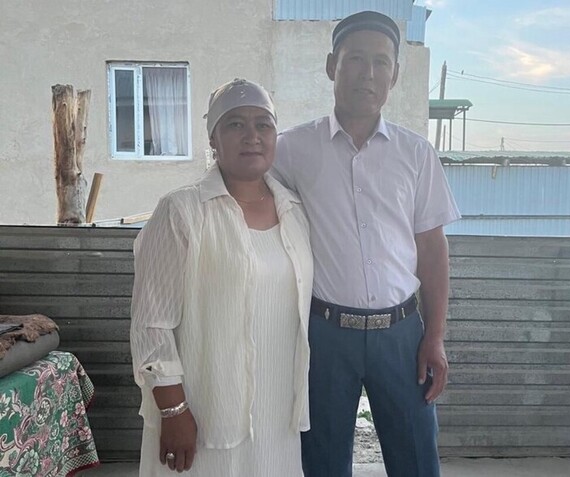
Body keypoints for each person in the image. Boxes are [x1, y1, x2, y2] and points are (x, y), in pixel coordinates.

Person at [272, 11, 461, 477]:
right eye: (355, 59)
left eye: (381, 62)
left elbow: (432, 250)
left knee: (417, 459)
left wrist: (434, 337)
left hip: (401, 334)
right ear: (331, 66)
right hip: (323, 334)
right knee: (321, 461)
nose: (368, 73)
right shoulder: (291, 150)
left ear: (395, 75)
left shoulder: (416, 154)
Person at [130, 78, 313, 476]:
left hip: (277, 415)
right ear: (213, 138)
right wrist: (174, 410)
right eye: (235, 124)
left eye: (263, 124)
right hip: (204, 412)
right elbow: (151, 324)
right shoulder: (182, 212)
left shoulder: (295, 212)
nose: (252, 136)